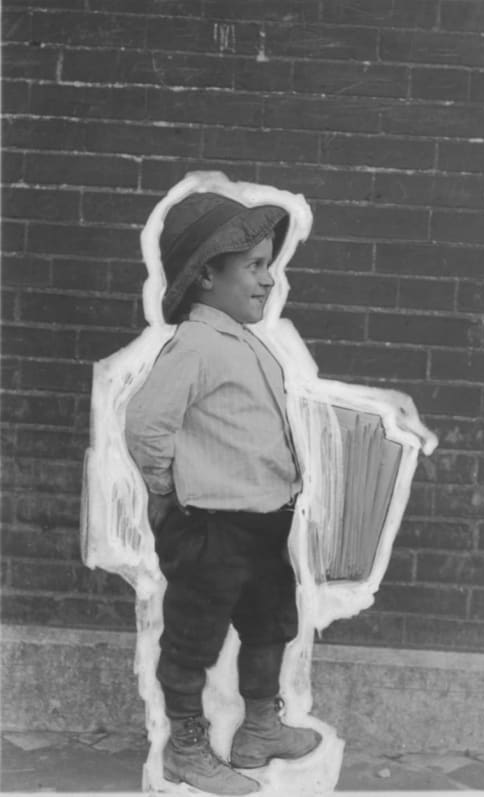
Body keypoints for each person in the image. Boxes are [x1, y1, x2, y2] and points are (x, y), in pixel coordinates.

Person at [124, 191, 321, 795]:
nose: (269, 279)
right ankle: (186, 748)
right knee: (195, 635)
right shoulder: (196, 345)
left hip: (264, 522)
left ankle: (259, 728)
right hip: (211, 526)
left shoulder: (242, 339)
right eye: (254, 267)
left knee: (269, 626)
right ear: (207, 275)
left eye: (270, 264)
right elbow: (144, 425)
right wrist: (165, 490)